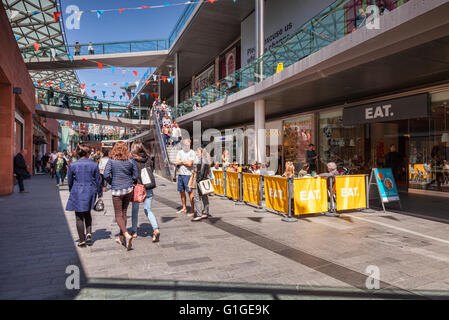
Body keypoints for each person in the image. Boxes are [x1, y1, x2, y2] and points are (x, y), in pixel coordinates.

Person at [103, 142, 139, 251]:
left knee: (118, 215)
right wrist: (131, 181)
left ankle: (126, 235)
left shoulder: (112, 161)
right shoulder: (130, 160)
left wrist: (112, 181)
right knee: (124, 213)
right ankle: (121, 238)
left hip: (117, 190)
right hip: (128, 189)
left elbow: (105, 175)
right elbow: (136, 175)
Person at [66, 145, 103, 247]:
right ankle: (89, 233)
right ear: (87, 153)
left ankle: (82, 240)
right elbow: (98, 181)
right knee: (87, 212)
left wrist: (71, 189)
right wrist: (100, 193)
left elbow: (69, 181)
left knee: (78, 216)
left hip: (77, 190)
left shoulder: (73, 165)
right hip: (90, 190)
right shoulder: (94, 164)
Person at [130, 142, 160, 242]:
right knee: (148, 210)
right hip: (148, 187)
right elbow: (152, 170)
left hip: (138, 188)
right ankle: (155, 229)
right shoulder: (149, 158)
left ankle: (134, 231)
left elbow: (133, 175)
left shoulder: (133, 161)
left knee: (135, 210)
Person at [175, 139, 196, 216]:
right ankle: (184, 208)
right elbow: (176, 161)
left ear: (190, 144)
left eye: (188, 144)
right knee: (181, 192)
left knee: (190, 192)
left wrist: (181, 161)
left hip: (188, 175)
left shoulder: (192, 152)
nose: (186, 146)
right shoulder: (180, 152)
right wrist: (185, 162)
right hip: (180, 174)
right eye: (185, 144)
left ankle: (193, 210)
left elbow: (190, 164)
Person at [192, 147, 211, 222]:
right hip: (204, 181)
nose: (196, 153)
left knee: (197, 197)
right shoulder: (205, 160)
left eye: (197, 152)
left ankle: (199, 214)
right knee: (204, 197)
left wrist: (197, 180)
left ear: (202, 153)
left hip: (200, 181)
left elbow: (201, 171)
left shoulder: (202, 160)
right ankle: (206, 212)